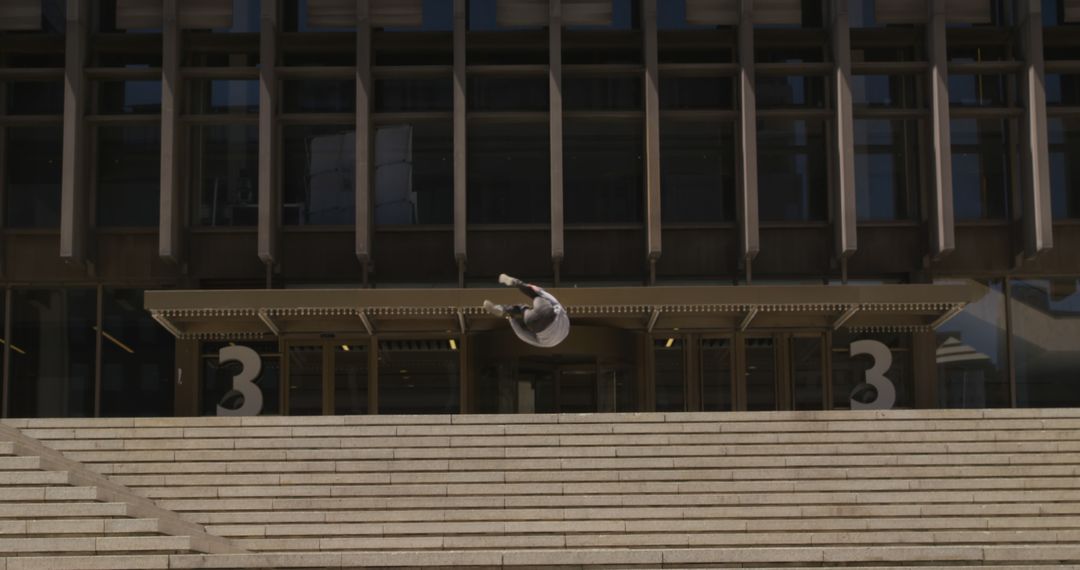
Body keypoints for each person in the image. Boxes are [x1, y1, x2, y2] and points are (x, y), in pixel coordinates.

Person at [483, 274, 570, 348]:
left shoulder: (564, 320)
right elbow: (522, 335)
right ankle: (502, 309)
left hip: (547, 313)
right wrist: (511, 318)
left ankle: (515, 282)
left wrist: (537, 290)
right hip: (534, 324)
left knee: (534, 295)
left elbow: (551, 299)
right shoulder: (545, 344)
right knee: (522, 308)